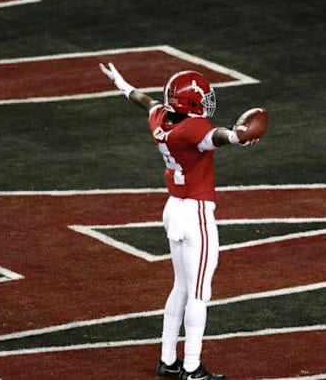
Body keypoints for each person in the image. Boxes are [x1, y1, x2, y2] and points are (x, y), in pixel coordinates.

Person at [100, 63, 258, 380]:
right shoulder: (193, 129)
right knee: (199, 292)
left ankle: (168, 359)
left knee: (180, 287)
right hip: (196, 213)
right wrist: (238, 137)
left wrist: (125, 86)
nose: (207, 101)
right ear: (190, 102)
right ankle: (192, 367)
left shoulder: (162, 120)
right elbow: (217, 136)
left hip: (173, 208)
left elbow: (147, 102)